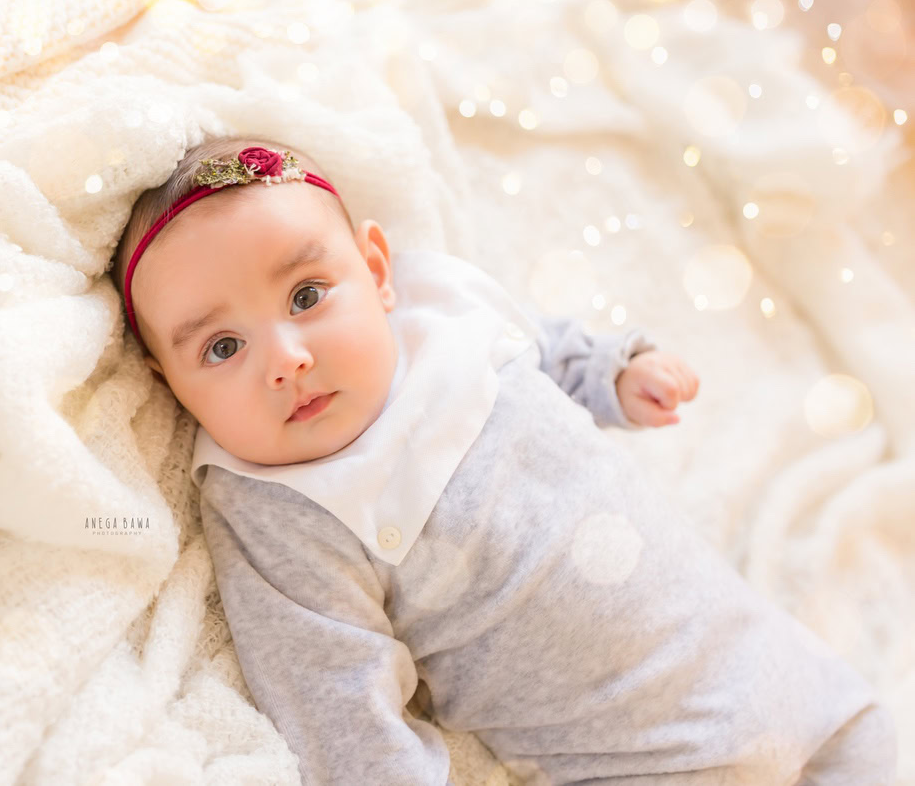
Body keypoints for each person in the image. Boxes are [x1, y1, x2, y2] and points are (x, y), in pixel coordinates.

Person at [109, 135, 897, 785]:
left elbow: (543, 347)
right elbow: (334, 696)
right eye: (221, 347)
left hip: (782, 670)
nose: (285, 358)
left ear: (376, 271)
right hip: (640, 761)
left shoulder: (446, 313)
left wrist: (612, 372)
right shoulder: (278, 507)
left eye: (308, 296)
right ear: (169, 385)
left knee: (871, 739)